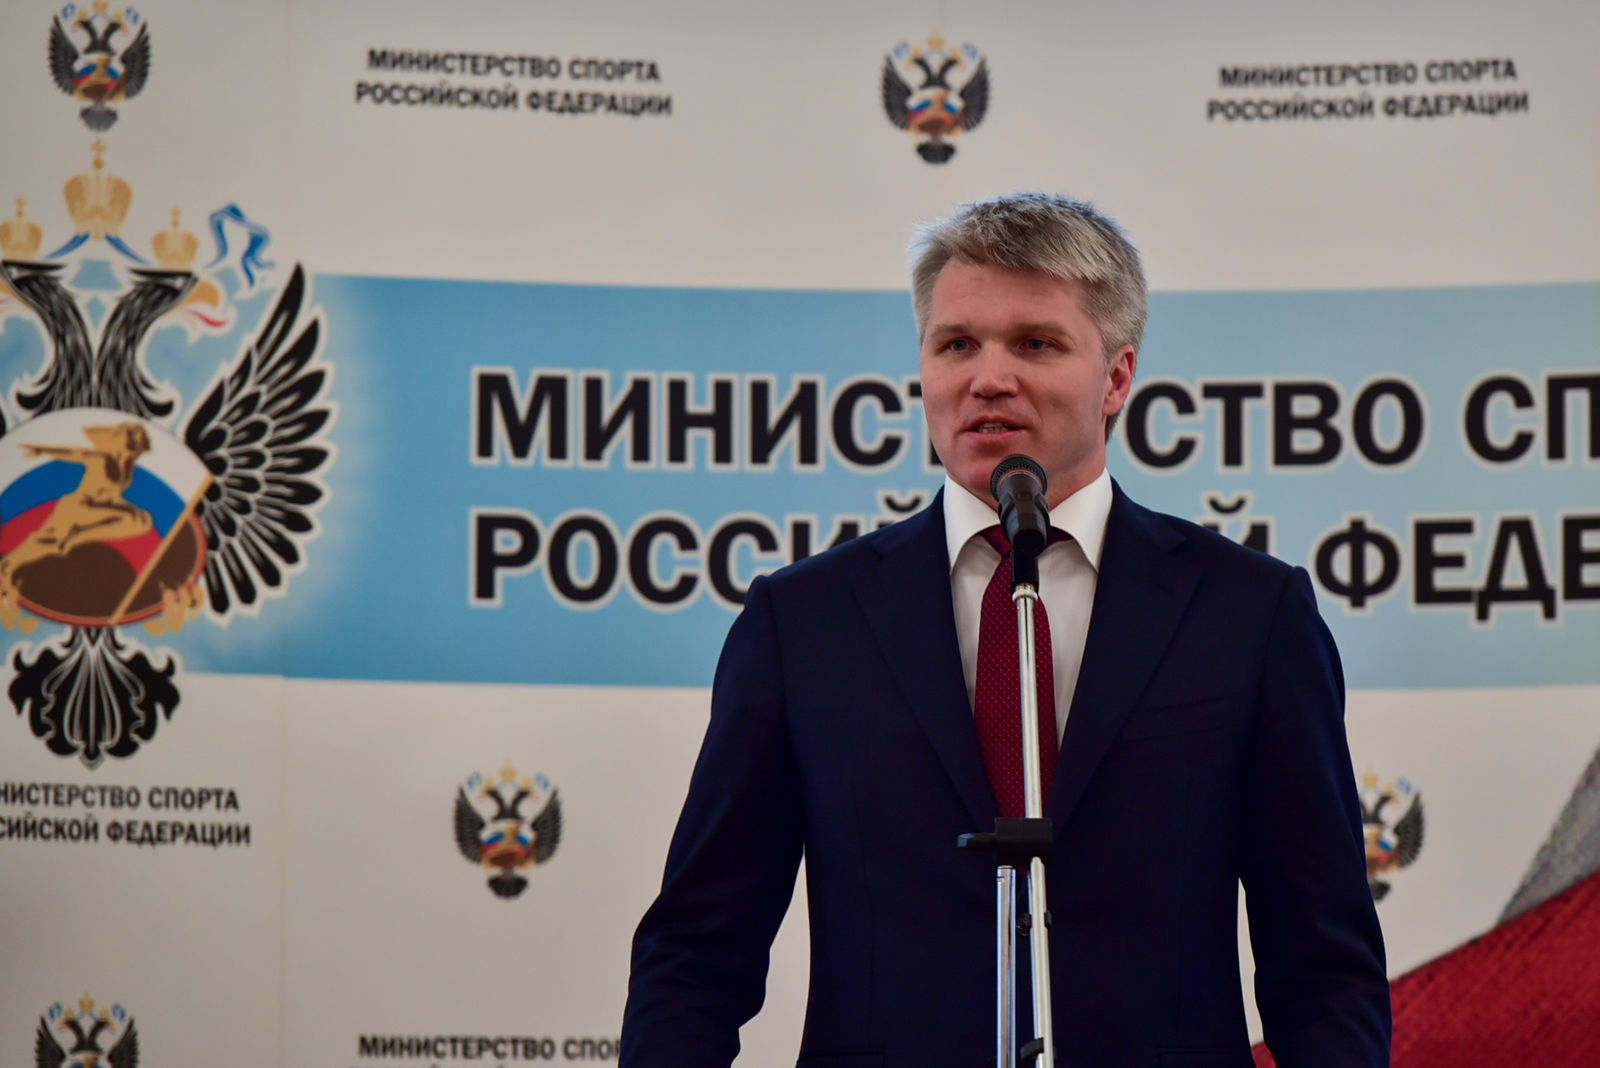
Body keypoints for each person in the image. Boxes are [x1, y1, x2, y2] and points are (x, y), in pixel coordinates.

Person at [621, 193, 1390, 1067]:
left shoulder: (1248, 614)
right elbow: (697, 952)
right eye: (957, 345)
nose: (988, 377)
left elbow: (1323, 971)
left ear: (1117, 378)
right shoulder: (804, 624)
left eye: (1035, 343)